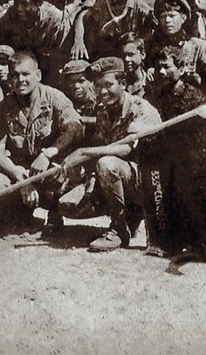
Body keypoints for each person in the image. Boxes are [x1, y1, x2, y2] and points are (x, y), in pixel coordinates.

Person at [61, 57, 161, 251]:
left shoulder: (140, 108)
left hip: (153, 183)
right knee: (66, 206)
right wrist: (89, 184)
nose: (103, 91)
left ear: (123, 83)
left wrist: (83, 152)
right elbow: (101, 143)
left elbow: (126, 148)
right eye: (98, 86)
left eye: (108, 85)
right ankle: (130, 219)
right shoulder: (103, 110)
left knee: (106, 164)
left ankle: (119, 229)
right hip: (126, 176)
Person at [0, 51, 83, 234]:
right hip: (21, 172)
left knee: (62, 175)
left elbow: (75, 128)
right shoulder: (2, 108)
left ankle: (55, 215)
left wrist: (48, 153)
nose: (20, 80)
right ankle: (20, 214)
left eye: (25, 74)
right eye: (14, 75)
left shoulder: (54, 97)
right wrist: (17, 174)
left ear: (37, 75)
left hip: (49, 169)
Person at [141, 47, 206, 258]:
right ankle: (169, 242)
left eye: (167, 67)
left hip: (191, 157)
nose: (161, 72)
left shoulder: (193, 96)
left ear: (182, 68)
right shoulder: (157, 95)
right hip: (167, 154)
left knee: (191, 197)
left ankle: (201, 245)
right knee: (164, 197)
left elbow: (190, 128)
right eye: (158, 68)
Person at [118, 32, 148, 97]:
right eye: (123, 55)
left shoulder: (149, 82)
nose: (126, 59)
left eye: (130, 54)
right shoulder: (117, 84)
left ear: (142, 55)